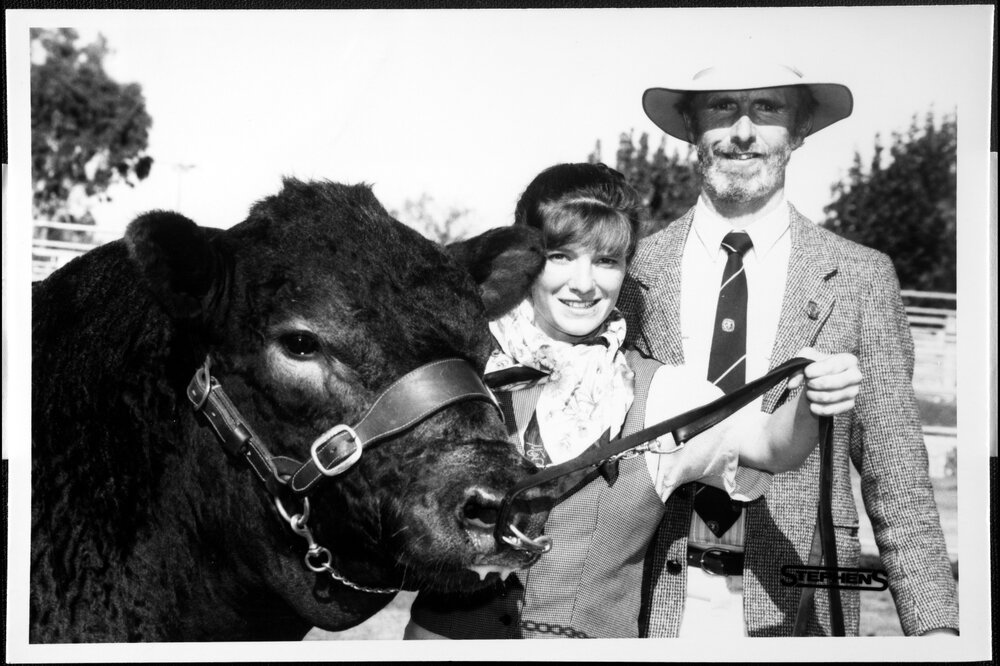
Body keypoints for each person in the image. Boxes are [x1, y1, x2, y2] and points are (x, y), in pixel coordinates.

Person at [403, 162, 862, 639]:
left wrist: (812, 399)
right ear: (524, 260)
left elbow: (772, 445)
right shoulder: (464, 373)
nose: (584, 283)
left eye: (606, 261)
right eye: (560, 256)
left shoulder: (658, 394)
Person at [619, 62, 959, 637]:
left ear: (799, 130)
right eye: (722, 106)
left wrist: (939, 632)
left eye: (768, 108)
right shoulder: (630, 273)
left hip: (801, 603)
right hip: (649, 603)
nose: (743, 131)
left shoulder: (859, 276)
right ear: (690, 125)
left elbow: (897, 476)